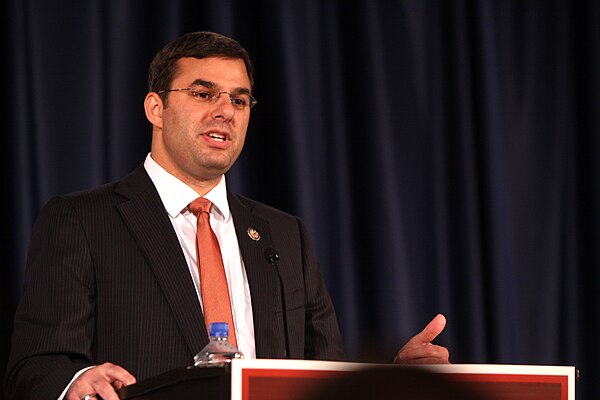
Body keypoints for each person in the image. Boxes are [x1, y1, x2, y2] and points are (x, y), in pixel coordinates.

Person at [4, 31, 449, 400]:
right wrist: (75, 383)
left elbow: (320, 374)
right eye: (203, 93)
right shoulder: (83, 220)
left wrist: (392, 379)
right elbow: (35, 367)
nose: (225, 111)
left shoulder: (284, 234)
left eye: (239, 100)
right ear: (155, 108)